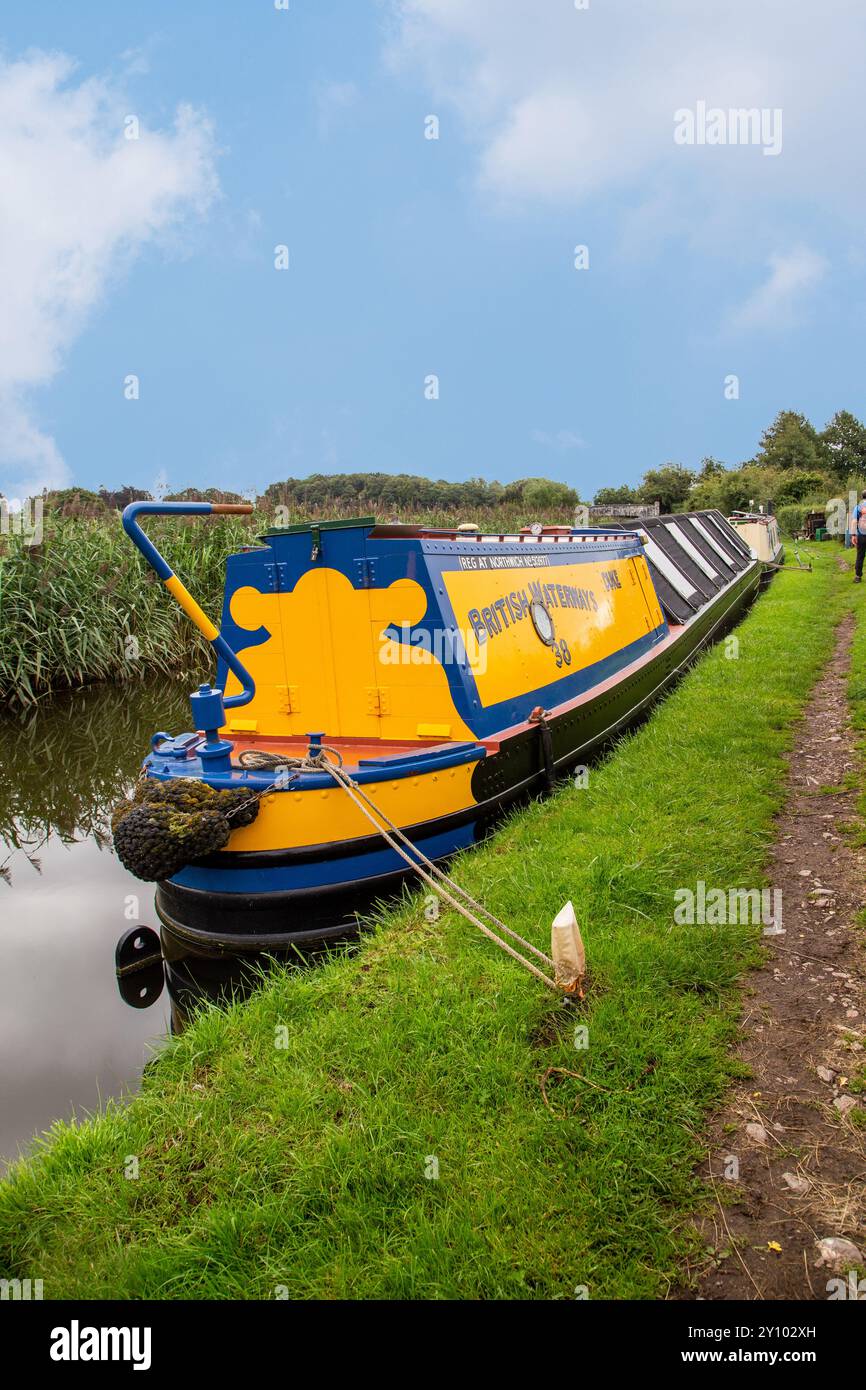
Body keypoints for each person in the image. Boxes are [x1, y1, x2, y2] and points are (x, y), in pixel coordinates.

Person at [855, 490, 866, 583]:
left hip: (861, 535)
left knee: (860, 555)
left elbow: (854, 521)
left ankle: (858, 576)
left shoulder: (858, 507)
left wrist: (853, 535)